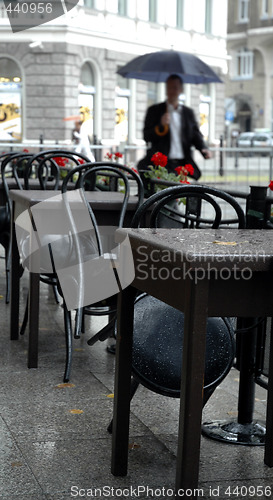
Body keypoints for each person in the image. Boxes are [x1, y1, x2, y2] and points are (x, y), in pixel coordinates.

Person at [138, 74, 211, 181]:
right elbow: (146, 136)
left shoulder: (187, 113)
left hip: (182, 163)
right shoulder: (155, 111)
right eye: (169, 87)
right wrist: (160, 126)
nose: (171, 91)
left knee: (186, 193)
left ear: (181, 90)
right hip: (162, 165)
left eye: (175, 88)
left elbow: (195, 134)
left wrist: (203, 148)